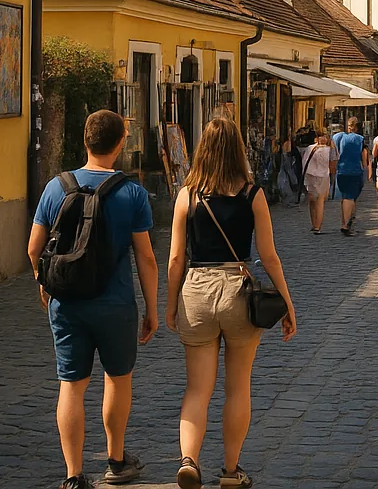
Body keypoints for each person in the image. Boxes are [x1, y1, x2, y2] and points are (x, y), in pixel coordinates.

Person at [28, 110, 158, 489]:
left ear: (85, 141)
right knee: (117, 380)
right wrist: (151, 307)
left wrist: (46, 282)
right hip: (116, 303)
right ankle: (116, 461)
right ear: (120, 145)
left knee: (71, 385)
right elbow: (146, 258)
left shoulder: (57, 187)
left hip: (67, 303)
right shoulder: (131, 193)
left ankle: (73, 474)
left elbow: (34, 247)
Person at [167, 117, 297, 489]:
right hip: (238, 289)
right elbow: (269, 256)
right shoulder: (253, 195)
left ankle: (189, 461)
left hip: (197, 289)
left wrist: (171, 304)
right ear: (238, 150)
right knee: (238, 387)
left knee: (197, 389)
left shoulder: (187, 195)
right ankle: (230, 470)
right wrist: (286, 302)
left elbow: (176, 259)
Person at [332, 117, 367, 235]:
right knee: (350, 197)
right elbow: (364, 157)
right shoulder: (359, 139)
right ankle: (346, 224)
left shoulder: (338, 137)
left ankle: (347, 222)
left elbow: (333, 153)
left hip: (341, 170)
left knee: (345, 198)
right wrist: (366, 170)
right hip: (354, 171)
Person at [300, 131, 336, 234]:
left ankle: (317, 226)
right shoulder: (311, 148)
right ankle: (315, 224)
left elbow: (334, 162)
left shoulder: (329, 150)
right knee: (312, 200)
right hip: (312, 176)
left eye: (325, 136)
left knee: (318, 201)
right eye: (321, 136)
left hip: (322, 176)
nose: (324, 138)